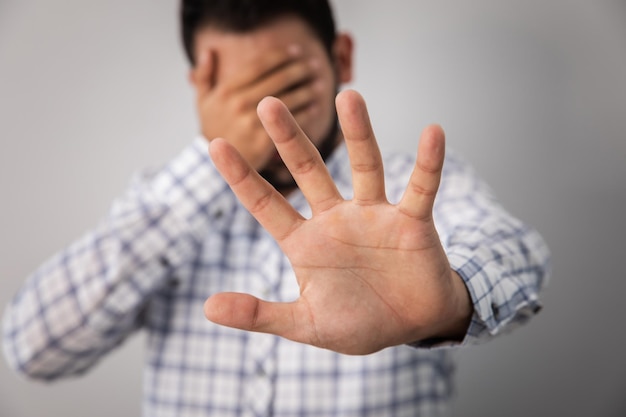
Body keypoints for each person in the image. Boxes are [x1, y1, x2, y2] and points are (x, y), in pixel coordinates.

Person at [2, 0, 550, 416]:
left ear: (342, 59)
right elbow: (33, 349)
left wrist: (452, 299)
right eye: (240, 93)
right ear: (200, 84)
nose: (266, 116)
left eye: (286, 83)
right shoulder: (159, 205)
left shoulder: (411, 195)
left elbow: (515, 255)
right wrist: (207, 168)